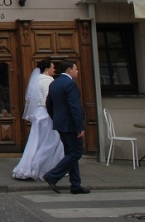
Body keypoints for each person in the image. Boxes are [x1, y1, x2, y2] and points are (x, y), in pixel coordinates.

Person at [43, 60, 90, 195]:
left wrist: (55, 118)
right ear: (69, 70)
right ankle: (53, 175)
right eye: (75, 69)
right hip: (71, 124)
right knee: (76, 153)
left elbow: (49, 104)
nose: (77, 71)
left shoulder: (54, 83)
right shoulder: (70, 84)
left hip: (60, 123)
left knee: (70, 153)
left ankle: (75, 184)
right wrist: (80, 126)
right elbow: (74, 106)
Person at [12, 59, 63, 181]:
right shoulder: (47, 81)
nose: (54, 69)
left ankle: (31, 166)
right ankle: (39, 166)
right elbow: (48, 99)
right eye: (52, 67)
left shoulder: (37, 80)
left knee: (36, 141)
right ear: (47, 69)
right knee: (50, 141)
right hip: (47, 113)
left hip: (39, 113)